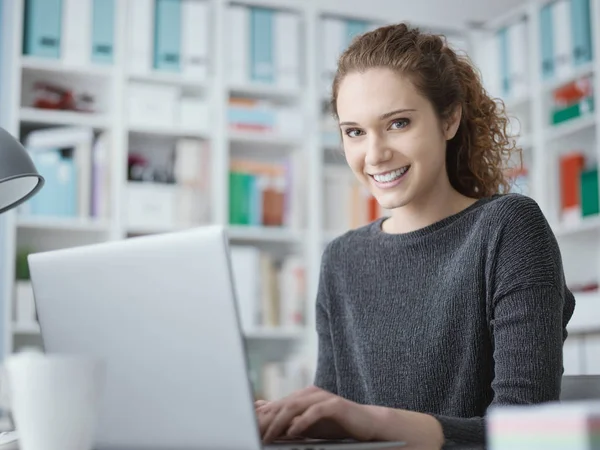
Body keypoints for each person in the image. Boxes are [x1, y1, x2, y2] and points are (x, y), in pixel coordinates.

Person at [255, 22, 576, 449]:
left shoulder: (508, 228)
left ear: (450, 119)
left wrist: (371, 421)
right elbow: (336, 423)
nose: (374, 154)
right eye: (354, 131)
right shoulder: (341, 259)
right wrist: (291, 422)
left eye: (398, 123)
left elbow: (527, 434)